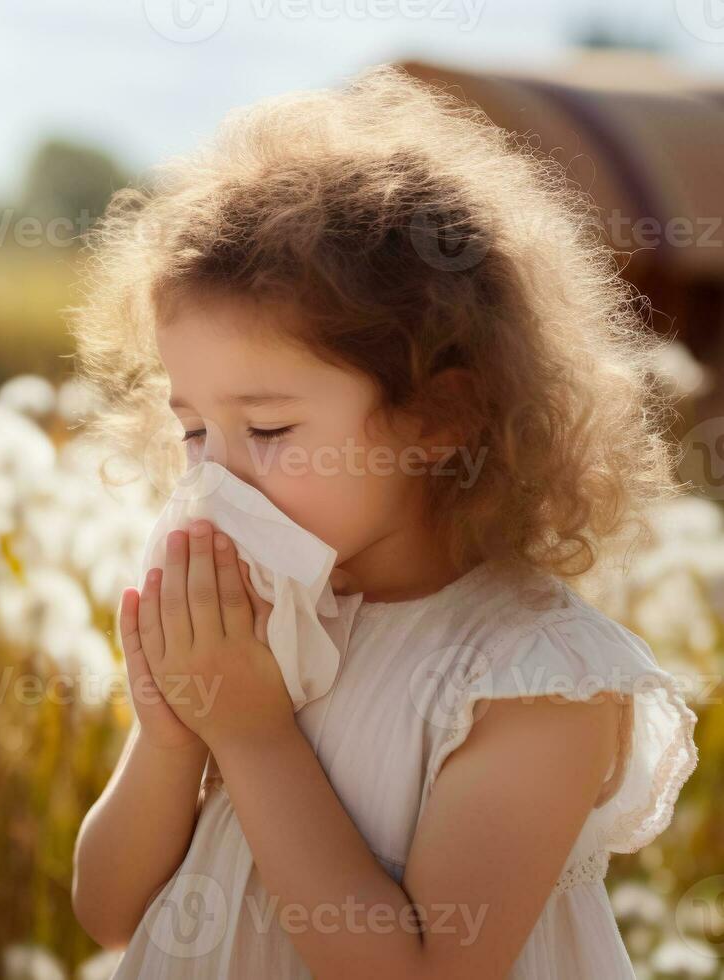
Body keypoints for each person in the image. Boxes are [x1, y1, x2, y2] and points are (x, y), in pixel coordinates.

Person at [69, 64, 699, 978]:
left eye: (272, 429)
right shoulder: (265, 618)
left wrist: (250, 734)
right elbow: (111, 912)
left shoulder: (533, 682)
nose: (217, 478)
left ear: (439, 417)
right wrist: (172, 737)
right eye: (196, 429)